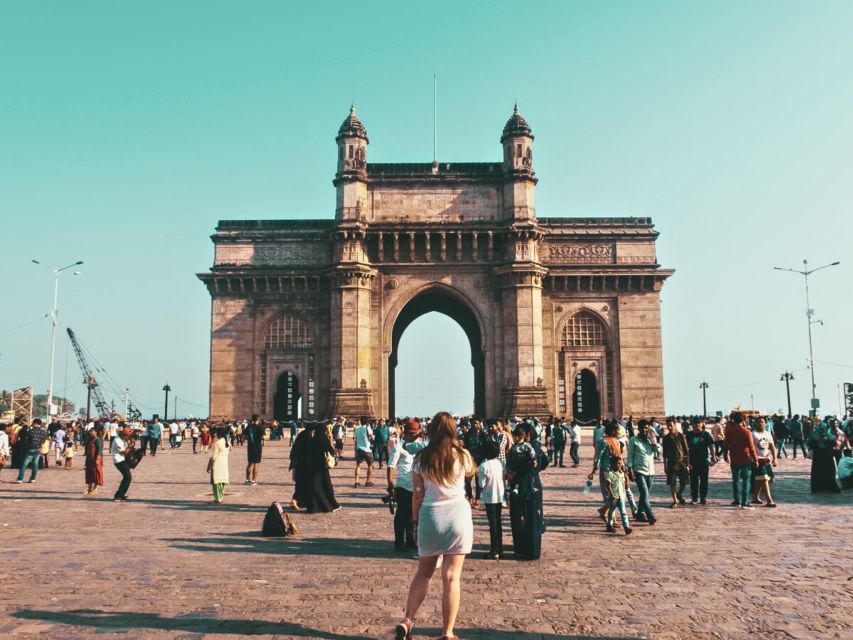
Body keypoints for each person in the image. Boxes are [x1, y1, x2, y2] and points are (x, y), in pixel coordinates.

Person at [395, 412, 475, 640]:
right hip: (457, 516)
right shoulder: (463, 456)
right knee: (451, 578)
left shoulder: (421, 458)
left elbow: (417, 496)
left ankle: (407, 619)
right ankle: (448, 632)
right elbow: (470, 473)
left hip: (430, 516)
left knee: (424, 573)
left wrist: (414, 522)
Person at [387, 418, 424, 551]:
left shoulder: (421, 445)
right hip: (404, 484)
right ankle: (399, 542)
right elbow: (391, 466)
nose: (414, 436)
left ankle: (411, 540)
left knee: (412, 514)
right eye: (411, 434)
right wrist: (390, 485)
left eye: (416, 434)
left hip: (418, 484)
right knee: (402, 514)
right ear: (406, 433)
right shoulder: (398, 446)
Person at [507, 424, 543, 560]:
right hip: (533, 483)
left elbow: (509, 465)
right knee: (533, 518)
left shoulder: (514, 449)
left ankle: (520, 549)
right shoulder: (535, 447)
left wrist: (513, 473)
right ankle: (533, 550)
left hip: (518, 484)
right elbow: (543, 462)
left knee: (519, 516)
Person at [300, 422, 340, 513]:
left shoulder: (313, 439)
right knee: (326, 486)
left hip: (312, 466)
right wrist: (330, 441)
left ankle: (313, 507)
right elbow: (331, 451)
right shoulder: (323, 439)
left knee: (314, 487)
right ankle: (329, 504)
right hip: (322, 467)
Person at [724, 412, 760, 508]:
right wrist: (755, 459)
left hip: (734, 458)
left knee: (735, 480)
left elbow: (725, 445)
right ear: (743, 420)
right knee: (746, 480)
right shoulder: (747, 432)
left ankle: (736, 500)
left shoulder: (729, 432)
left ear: (733, 420)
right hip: (745, 459)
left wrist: (725, 456)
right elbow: (751, 447)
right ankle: (745, 501)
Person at [477, 439, 505, 559]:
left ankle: (494, 550)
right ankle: (500, 548)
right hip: (500, 495)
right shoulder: (501, 463)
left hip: (490, 497)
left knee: (492, 524)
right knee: (498, 523)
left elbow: (481, 484)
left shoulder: (483, 466)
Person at [626, 419, 657, 525]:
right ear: (638, 428)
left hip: (650, 471)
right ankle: (650, 515)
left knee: (645, 495)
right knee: (644, 493)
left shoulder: (650, 440)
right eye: (642, 428)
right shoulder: (633, 440)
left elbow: (658, 452)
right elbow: (630, 456)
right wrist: (630, 470)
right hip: (639, 471)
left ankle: (639, 513)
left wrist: (654, 441)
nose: (644, 430)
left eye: (646, 428)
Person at [685, 418, 716, 505]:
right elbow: (686, 449)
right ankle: (694, 498)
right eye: (695, 423)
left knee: (704, 481)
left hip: (704, 461)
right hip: (692, 462)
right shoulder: (689, 435)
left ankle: (703, 497)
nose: (697, 425)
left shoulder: (705, 434)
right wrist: (687, 462)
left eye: (698, 423)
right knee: (693, 481)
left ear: (701, 424)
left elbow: (711, 446)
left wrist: (713, 457)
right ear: (692, 425)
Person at [662, 419, 690, 508]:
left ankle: (679, 493)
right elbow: (664, 454)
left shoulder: (681, 436)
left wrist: (688, 463)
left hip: (681, 462)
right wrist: (665, 466)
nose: (669, 427)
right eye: (668, 425)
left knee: (684, 482)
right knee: (672, 483)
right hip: (671, 463)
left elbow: (686, 451)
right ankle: (675, 501)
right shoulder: (665, 438)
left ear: (675, 425)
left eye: (671, 425)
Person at [808, 418, 841, 493]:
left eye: (823, 428)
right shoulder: (814, 434)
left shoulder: (828, 434)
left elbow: (834, 443)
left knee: (829, 471)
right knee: (818, 472)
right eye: (820, 428)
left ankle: (829, 487)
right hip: (818, 455)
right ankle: (818, 488)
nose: (822, 430)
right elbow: (810, 444)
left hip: (827, 455)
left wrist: (825, 441)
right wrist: (817, 441)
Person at [751, 417, 778, 507]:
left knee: (760, 479)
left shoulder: (768, 434)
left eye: (762, 422)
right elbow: (751, 448)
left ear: (765, 423)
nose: (760, 424)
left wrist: (775, 458)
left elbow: (772, 446)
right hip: (758, 460)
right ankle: (769, 500)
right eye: (758, 422)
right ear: (755, 423)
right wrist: (755, 459)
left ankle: (755, 497)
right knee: (764, 478)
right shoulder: (753, 434)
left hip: (767, 459)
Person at [15, 418, 48, 484]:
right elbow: (43, 441)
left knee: (25, 463)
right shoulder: (43, 432)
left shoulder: (30, 431)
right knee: (35, 464)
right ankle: (33, 478)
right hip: (37, 449)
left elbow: (26, 440)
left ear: (35, 423)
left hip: (30, 448)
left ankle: (20, 478)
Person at [605, 457, 632, 535]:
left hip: (621, 496)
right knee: (611, 511)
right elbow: (608, 485)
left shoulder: (622, 473)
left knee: (623, 512)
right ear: (612, 464)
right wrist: (612, 494)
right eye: (618, 463)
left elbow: (624, 484)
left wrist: (624, 493)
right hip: (613, 497)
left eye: (621, 463)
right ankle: (609, 525)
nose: (619, 465)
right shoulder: (610, 474)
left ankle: (626, 527)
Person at [111, 426, 135, 502]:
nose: (128, 437)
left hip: (122, 459)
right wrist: (130, 446)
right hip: (119, 461)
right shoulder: (117, 440)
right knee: (128, 477)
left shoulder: (121, 439)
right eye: (127, 435)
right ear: (123, 435)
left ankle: (120, 494)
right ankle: (118, 496)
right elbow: (124, 452)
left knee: (127, 477)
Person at [208, 427, 230, 503]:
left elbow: (214, 457)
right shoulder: (227, 442)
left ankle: (218, 498)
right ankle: (221, 496)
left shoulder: (218, 443)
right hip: (224, 463)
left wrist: (209, 463)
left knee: (216, 482)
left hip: (217, 463)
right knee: (222, 481)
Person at [353, 419, 375, 487]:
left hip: (360, 449)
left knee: (358, 465)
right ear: (367, 422)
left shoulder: (357, 429)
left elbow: (354, 439)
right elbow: (372, 438)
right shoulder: (367, 427)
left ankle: (356, 481)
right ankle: (368, 481)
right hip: (367, 449)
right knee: (370, 465)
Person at [244, 414, 265, 486]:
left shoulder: (248, 427)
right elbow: (263, 437)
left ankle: (247, 479)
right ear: (258, 419)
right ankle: (253, 480)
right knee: (256, 463)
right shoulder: (260, 427)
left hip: (250, 447)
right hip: (257, 447)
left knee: (250, 463)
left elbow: (245, 436)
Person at [84, 425, 104, 495]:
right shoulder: (90, 439)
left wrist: (97, 459)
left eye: (92, 431)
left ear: (96, 432)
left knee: (95, 474)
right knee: (89, 473)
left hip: (95, 459)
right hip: (89, 459)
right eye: (90, 431)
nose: (90, 432)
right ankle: (89, 488)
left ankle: (95, 489)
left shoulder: (97, 440)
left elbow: (99, 450)